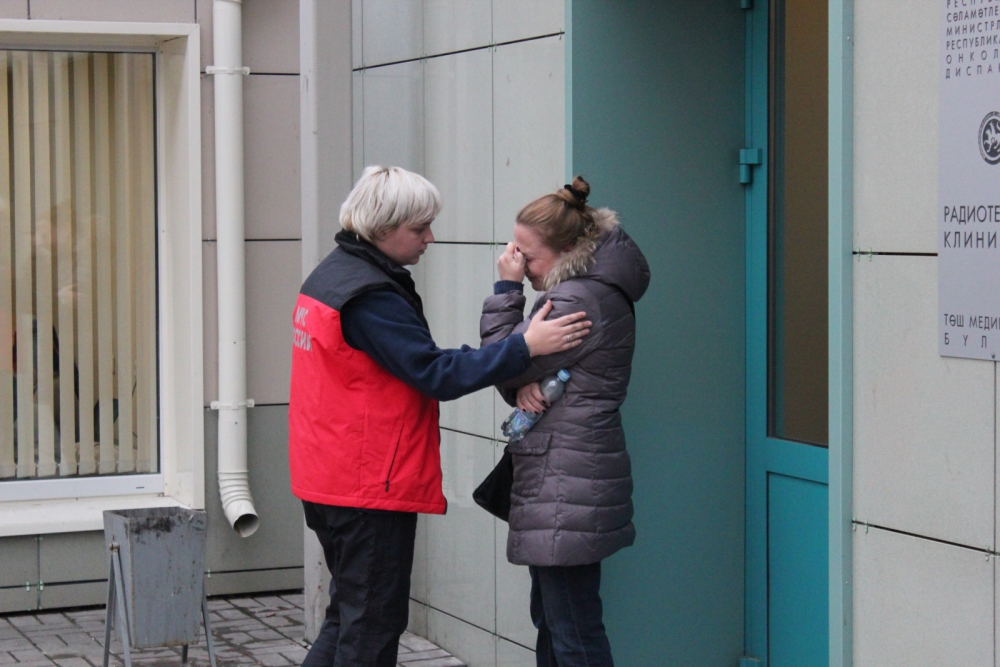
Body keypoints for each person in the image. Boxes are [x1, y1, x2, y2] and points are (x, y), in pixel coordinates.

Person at [288, 166, 593, 667]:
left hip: (329, 474)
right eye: (420, 227)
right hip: (366, 486)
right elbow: (436, 373)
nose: (431, 237)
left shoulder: (333, 273)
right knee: (371, 626)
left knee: (348, 615)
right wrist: (524, 347)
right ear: (384, 227)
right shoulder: (369, 296)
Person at [480, 176, 650, 667]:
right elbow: (522, 367)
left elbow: (500, 357)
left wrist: (506, 290)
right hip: (571, 474)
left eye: (527, 256)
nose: (518, 262)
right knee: (557, 623)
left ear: (571, 247)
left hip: (564, 479)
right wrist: (520, 384)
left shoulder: (575, 301)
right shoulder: (595, 288)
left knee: (572, 631)